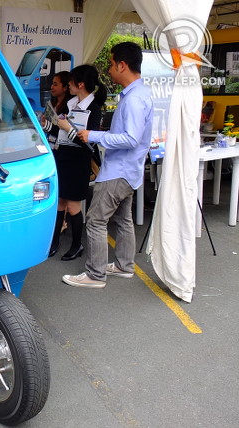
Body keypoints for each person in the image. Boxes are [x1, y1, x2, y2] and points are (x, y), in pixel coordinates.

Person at [62, 41, 153, 288]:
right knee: (123, 220)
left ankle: (95, 275)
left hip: (118, 171)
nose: (109, 70)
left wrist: (93, 135)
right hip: (129, 171)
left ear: (123, 65)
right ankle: (124, 265)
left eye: (112, 65)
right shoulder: (139, 94)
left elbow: (131, 138)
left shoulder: (134, 99)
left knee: (96, 220)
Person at [43, 65, 106, 260]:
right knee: (60, 202)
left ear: (80, 84)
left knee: (73, 206)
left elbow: (89, 141)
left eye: (70, 82)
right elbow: (59, 132)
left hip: (79, 161)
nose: (68, 85)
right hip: (63, 157)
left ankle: (77, 245)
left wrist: (67, 128)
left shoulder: (93, 108)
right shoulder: (71, 104)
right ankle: (54, 243)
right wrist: (47, 124)